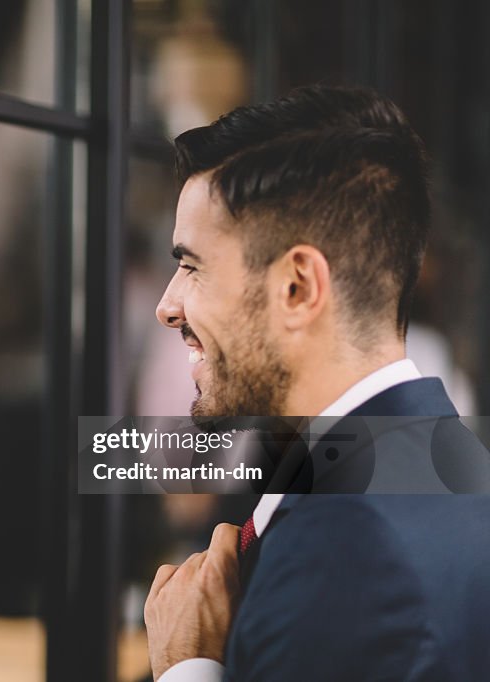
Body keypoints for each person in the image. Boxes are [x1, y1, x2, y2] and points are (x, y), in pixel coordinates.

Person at [142, 85, 490, 681]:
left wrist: (186, 664)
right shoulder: (449, 459)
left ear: (298, 287)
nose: (167, 307)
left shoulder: (347, 547)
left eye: (193, 267)